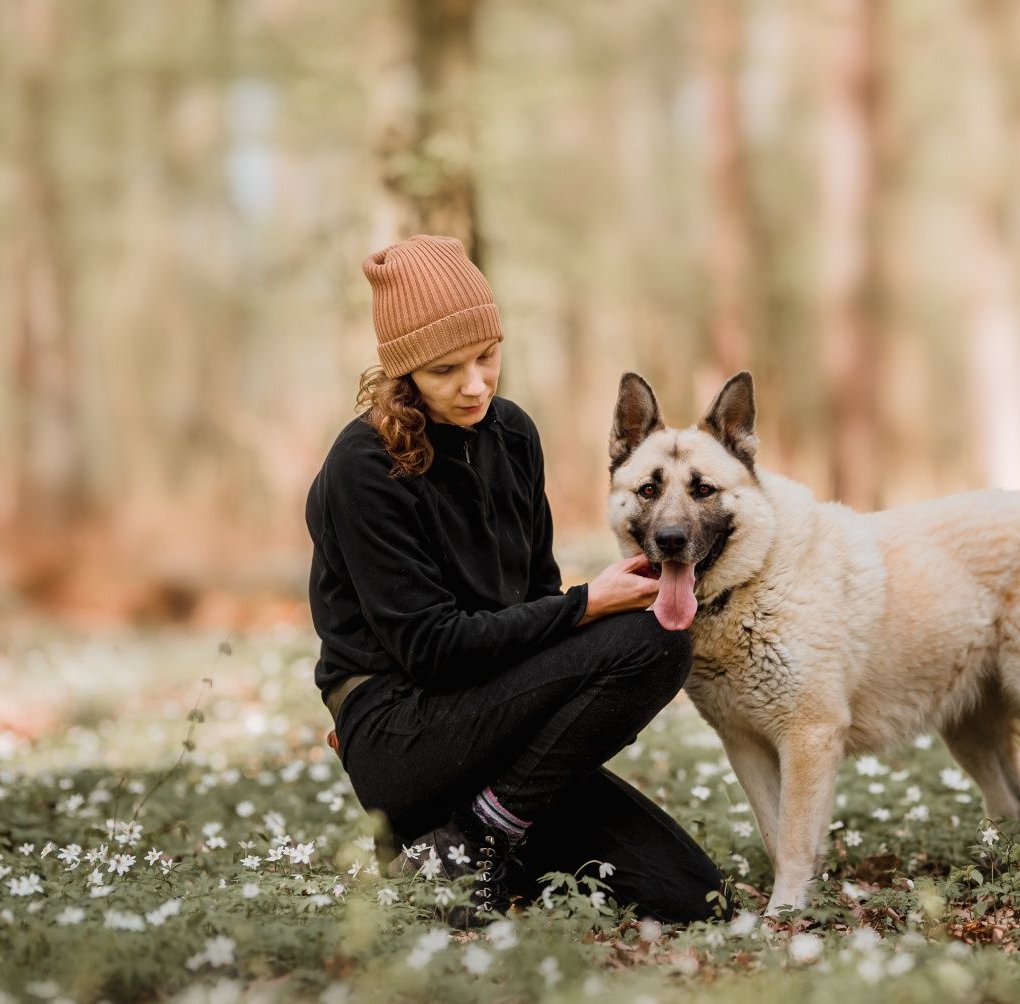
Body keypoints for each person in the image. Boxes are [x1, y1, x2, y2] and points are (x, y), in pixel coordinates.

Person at [305, 235, 729, 928]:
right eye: (446, 369)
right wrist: (587, 606)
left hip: (498, 724)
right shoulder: (362, 468)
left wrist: (578, 613)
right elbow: (432, 650)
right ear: (404, 373)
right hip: (402, 732)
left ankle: (473, 830)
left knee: (693, 895)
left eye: (486, 356)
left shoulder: (513, 436)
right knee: (651, 637)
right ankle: (475, 840)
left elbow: (535, 597)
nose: (476, 383)